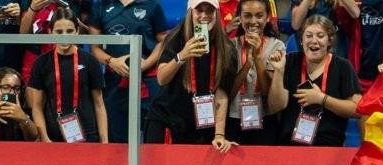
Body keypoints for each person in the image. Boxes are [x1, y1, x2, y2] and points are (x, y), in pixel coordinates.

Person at [145, 0, 238, 150]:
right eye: (199, 10)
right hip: (167, 121)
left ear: (216, 13)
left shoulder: (227, 49)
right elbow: (162, 78)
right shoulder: (176, 37)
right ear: (190, 12)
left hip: (201, 125)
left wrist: (219, 135)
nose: (204, 15)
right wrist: (182, 56)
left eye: (209, 10)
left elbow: (221, 95)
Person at [267, 15, 362, 147]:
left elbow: (357, 109)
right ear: (301, 40)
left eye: (320, 36)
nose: (314, 41)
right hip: (288, 147)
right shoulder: (290, 61)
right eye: (309, 36)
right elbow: (275, 107)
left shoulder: (343, 67)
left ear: (329, 40)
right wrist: (279, 71)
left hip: (327, 148)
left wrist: (322, 99)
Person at [88, 0, 168, 143]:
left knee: (154, 140)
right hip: (114, 84)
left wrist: (146, 64)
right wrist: (112, 61)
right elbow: (95, 48)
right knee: (117, 142)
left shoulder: (152, 5)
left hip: (148, 84)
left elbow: (163, 42)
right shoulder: (100, 7)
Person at [27, 7, 108, 144]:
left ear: (77, 31)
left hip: (87, 136)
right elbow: (37, 106)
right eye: (59, 32)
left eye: (69, 31)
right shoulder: (41, 63)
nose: (64, 36)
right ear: (50, 32)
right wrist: (45, 139)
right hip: (53, 138)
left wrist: (104, 141)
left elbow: (99, 104)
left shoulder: (89, 61)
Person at [225, 0, 285, 145]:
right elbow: (228, 95)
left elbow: (268, 95)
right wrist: (247, 65)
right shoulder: (230, 46)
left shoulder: (277, 46)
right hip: (233, 118)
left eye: (259, 16)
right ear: (239, 17)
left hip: (266, 119)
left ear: (268, 17)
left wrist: (258, 59)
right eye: (247, 16)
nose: (253, 21)